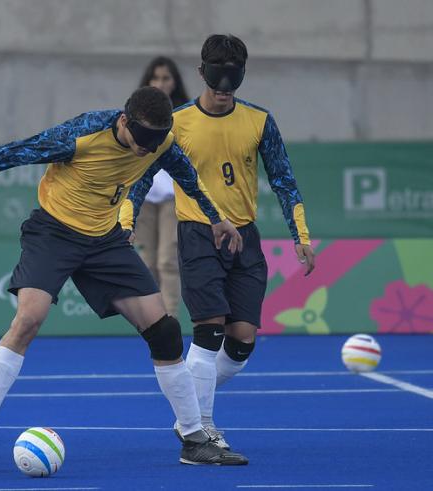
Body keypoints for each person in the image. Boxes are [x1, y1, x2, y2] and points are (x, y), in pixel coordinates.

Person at [0, 86, 248, 465]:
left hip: (106, 241)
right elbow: (5, 156)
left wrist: (218, 219)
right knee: (29, 318)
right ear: (124, 121)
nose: (145, 150)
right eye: (141, 140)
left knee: (165, 331)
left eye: (154, 142)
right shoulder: (82, 135)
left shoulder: (159, 141)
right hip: (54, 234)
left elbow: (187, 177)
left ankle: (194, 439)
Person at [124, 35, 316, 452]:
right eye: (216, 77)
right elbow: (140, 175)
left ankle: (187, 406)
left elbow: (284, 181)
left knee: (242, 341)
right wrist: (127, 218)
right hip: (198, 233)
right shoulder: (177, 122)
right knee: (208, 333)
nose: (224, 87)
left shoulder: (259, 120)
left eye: (233, 78)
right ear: (201, 73)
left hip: (245, 238)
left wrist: (300, 236)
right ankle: (202, 429)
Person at [135, 56, 190, 316]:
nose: (160, 83)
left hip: (173, 193)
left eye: (166, 78)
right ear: (147, 81)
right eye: (155, 78)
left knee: (168, 260)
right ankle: (152, 323)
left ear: (174, 82)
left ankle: (170, 323)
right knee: (146, 263)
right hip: (143, 193)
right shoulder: (136, 112)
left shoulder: (185, 115)